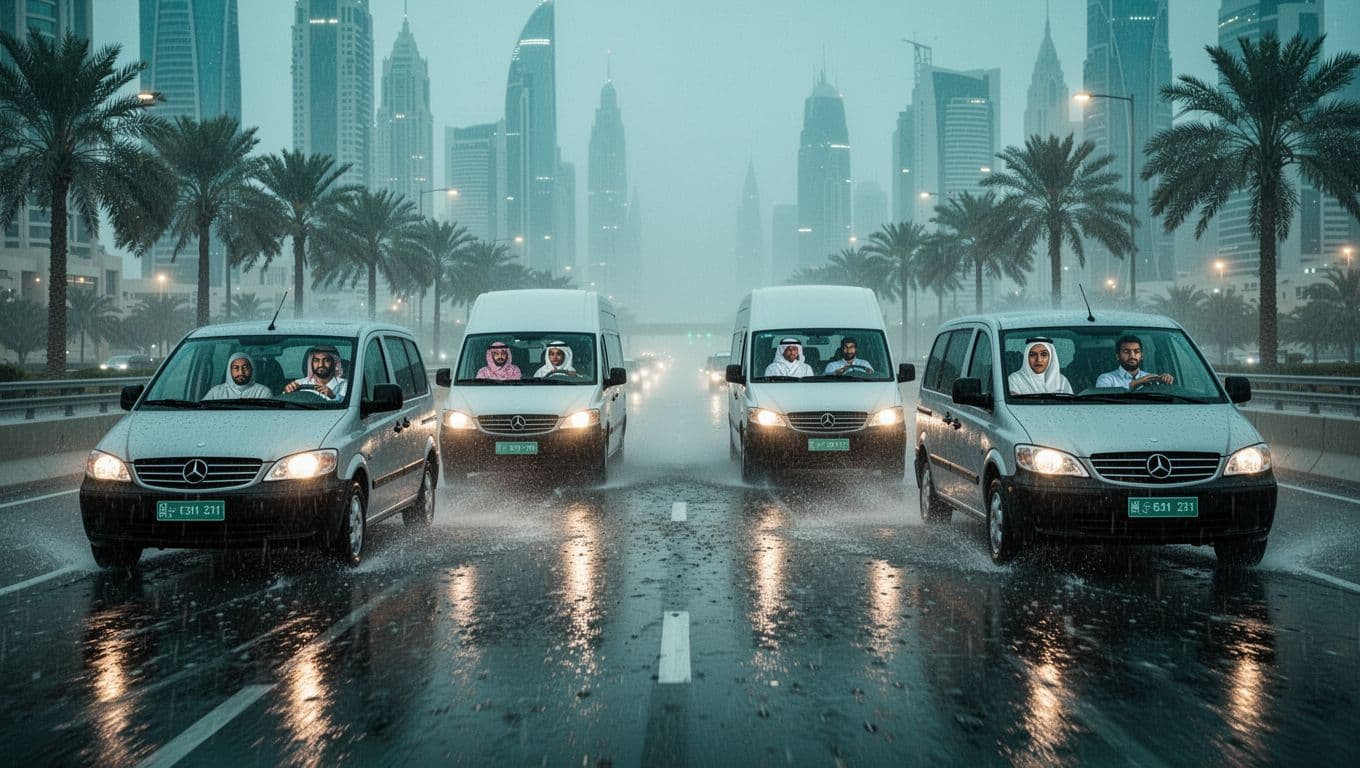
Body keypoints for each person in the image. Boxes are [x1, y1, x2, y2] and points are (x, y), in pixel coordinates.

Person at [1095, 335, 1174, 390]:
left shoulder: (1151, 378)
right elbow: (1103, 404)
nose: (1132, 356)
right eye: (1126, 351)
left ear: (1142, 355)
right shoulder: (1106, 379)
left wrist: (1165, 381)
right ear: (1117, 356)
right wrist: (1136, 383)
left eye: (1136, 351)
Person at [1008, 339, 1074, 395]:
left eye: (1044, 354)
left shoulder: (1061, 381)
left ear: (1051, 357)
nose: (1038, 359)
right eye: (1033, 355)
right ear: (1026, 358)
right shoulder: (1014, 380)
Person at [283, 345, 349, 400]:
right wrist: (286, 393)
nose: (321, 365)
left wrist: (333, 397)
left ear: (335, 363)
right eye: (316, 361)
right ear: (311, 363)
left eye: (326, 360)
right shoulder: (299, 384)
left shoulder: (345, 385)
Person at [203, 352, 273, 400]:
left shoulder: (262, 392)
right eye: (236, 368)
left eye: (245, 368)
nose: (241, 372)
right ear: (229, 371)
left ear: (252, 369)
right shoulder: (216, 392)